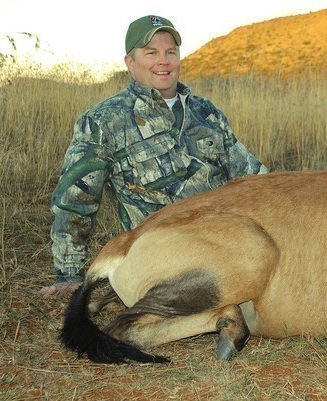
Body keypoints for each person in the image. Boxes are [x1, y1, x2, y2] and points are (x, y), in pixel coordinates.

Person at [40, 15, 267, 297]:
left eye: (170, 52)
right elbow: (75, 202)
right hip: (161, 255)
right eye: (152, 53)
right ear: (129, 62)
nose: (164, 61)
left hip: (225, 241)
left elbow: (254, 177)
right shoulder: (102, 121)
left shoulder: (206, 112)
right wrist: (68, 274)